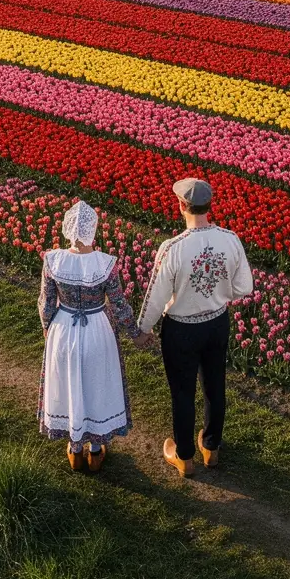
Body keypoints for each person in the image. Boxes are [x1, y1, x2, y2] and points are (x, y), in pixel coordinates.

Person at [137, 177, 253, 477]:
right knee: (215, 385)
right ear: (209, 205)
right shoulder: (230, 238)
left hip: (181, 329)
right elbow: (245, 286)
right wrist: (219, 294)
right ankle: (211, 447)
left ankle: (184, 456)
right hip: (217, 323)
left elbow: (156, 295)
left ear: (181, 205)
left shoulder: (173, 248)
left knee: (183, 392)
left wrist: (144, 328)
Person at [38, 200, 148, 471]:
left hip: (63, 328)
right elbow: (119, 304)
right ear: (92, 230)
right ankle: (96, 451)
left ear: (67, 228)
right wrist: (135, 333)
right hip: (97, 328)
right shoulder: (105, 264)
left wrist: (47, 329)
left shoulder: (53, 260)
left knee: (70, 384)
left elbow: (46, 303)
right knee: (96, 386)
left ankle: (75, 450)